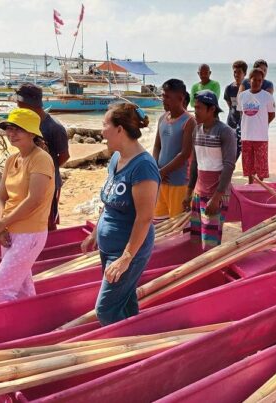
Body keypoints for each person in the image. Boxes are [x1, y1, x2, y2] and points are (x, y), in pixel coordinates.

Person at [80, 103, 159, 325]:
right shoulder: (116, 158)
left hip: (128, 251)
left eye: (105, 124)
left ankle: (121, 346)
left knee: (105, 310)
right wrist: (96, 232)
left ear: (119, 129)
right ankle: (136, 339)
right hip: (109, 247)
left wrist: (126, 258)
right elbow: (110, 201)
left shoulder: (143, 167)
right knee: (124, 301)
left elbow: (144, 218)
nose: (101, 130)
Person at [0, 108, 55, 303]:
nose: (12, 133)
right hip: (9, 232)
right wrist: (0, 225)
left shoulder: (41, 158)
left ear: (32, 133)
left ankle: (6, 329)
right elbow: (1, 196)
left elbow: (34, 199)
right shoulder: (12, 159)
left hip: (30, 233)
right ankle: (32, 321)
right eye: (9, 128)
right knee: (22, 288)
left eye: (19, 129)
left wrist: (3, 223)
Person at [183, 90, 236, 250]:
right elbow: (195, 164)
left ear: (212, 109)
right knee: (196, 239)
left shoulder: (225, 132)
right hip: (199, 193)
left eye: (199, 108)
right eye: (194, 107)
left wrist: (217, 196)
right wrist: (189, 192)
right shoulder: (196, 130)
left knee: (210, 244)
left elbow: (229, 165)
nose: (195, 111)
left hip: (215, 194)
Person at [15, 83, 70, 231]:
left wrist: (45, 171)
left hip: (49, 183)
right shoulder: (24, 124)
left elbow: (64, 156)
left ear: (29, 104)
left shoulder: (54, 128)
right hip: (26, 179)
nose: (18, 107)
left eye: (20, 105)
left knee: (47, 221)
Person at [152, 79, 196, 219]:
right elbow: (157, 146)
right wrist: (155, 168)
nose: (163, 100)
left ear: (180, 98)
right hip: (161, 179)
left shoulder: (189, 121)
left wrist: (163, 171)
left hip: (178, 181)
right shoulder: (162, 118)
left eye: (167, 97)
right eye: (163, 96)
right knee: (159, 221)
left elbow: (184, 154)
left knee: (177, 223)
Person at [238, 68, 276, 184]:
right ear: (249, 80)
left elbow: (272, 114)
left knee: (261, 165)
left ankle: (259, 185)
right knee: (248, 164)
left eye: (259, 80)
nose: (256, 82)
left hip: (261, 136)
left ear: (262, 81)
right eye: (254, 80)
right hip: (246, 135)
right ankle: (250, 184)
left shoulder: (267, 96)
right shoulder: (242, 96)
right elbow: (241, 113)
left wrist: (262, 124)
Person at [223, 60, 247, 161]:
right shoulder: (229, 88)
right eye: (234, 72)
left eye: (239, 72)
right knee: (228, 147)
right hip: (231, 122)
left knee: (240, 147)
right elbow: (229, 104)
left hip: (243, 123)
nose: (236, 74)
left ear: (244, 74)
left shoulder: (248, 88)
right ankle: (228, 168)